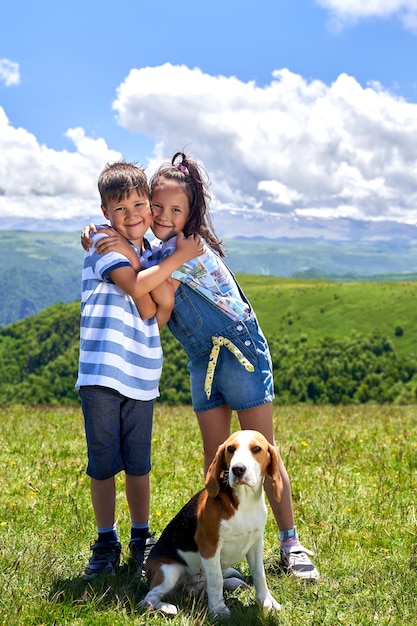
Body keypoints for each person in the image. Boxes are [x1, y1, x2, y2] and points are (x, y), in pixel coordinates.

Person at [81, 153, 319, 580]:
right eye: (157, 207)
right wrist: (98, 234)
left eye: (177, 209)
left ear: (192, 214)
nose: (163, 215)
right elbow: (162, 310)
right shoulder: (156, 252)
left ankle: (290, 541)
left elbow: (153, 294)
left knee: (264, 453)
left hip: (239, 354)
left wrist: (124, 253)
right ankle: (223, 550)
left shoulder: (186, 249)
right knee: (220, 464)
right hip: (201, 361)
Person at [76, 160, 203, 580]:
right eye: (120, 208)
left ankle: (141, 536)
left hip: (142, 375)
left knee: (139, 464)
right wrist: (175, 264)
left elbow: (158, 314)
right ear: (103, 213)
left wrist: (159, 284)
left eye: (139, 204)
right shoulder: (105, 247)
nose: (132, 215)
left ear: (150, 204)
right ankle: (105, 540)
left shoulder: (146, 253)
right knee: (102, 463)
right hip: (102, 374)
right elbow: (145, 299)